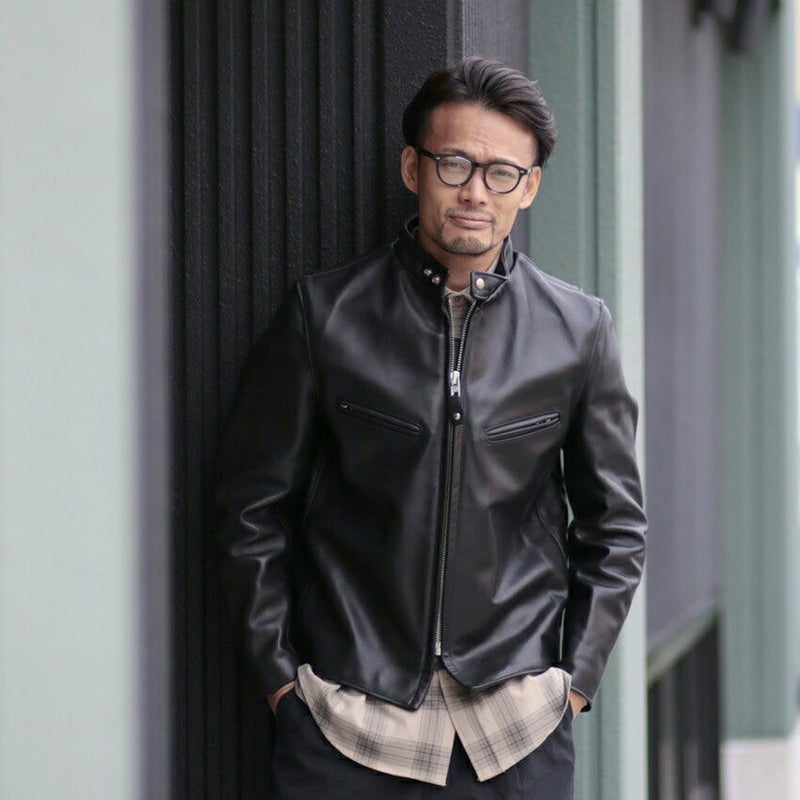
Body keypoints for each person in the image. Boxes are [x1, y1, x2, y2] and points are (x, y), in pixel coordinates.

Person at [216, 57, 646, 800]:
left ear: (530, 186)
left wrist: (573, 684)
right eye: (455, 164)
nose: (476, 190)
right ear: (413, 168)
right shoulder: (326, 316)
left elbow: (616, 527)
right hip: (347, 723)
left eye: (502, 173)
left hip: (514, 731)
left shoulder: (578, 331)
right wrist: (282, 683)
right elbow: (249, 510)